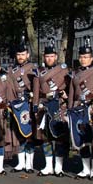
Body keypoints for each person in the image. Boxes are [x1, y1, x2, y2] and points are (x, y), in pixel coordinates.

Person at [33, 43, 69, 176]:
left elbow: (69, 87)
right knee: (45, 137)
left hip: (59, 105)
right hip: (45, 106)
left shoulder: (63, 69)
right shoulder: (38, 72)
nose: (49, 59)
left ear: (56, 57)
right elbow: (36, 91)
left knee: (59, 136)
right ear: (44, 57)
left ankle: (59, 166)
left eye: (52, 56)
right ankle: (48, 166)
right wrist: (35, 106)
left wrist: (66, 96)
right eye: (47, 56)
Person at [68, 42, 93, 179]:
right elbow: (71, 92)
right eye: (81, 57)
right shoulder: (75, 74)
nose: (83, 59)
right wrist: (70, 108)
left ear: (91, 58)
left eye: (86, 57)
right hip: (77, 107)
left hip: (91, 107)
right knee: (81, 139)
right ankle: (85, 168)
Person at [9, 40, 37, 172]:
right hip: (17, 104)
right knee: (19, 133)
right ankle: (21, 162)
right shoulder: (11, 70)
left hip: (29, 103)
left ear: (28, 54)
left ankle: (29, 164)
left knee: (29, 133)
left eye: (23, 54)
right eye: (18, 54)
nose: (20, 56)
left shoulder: (33, 68)